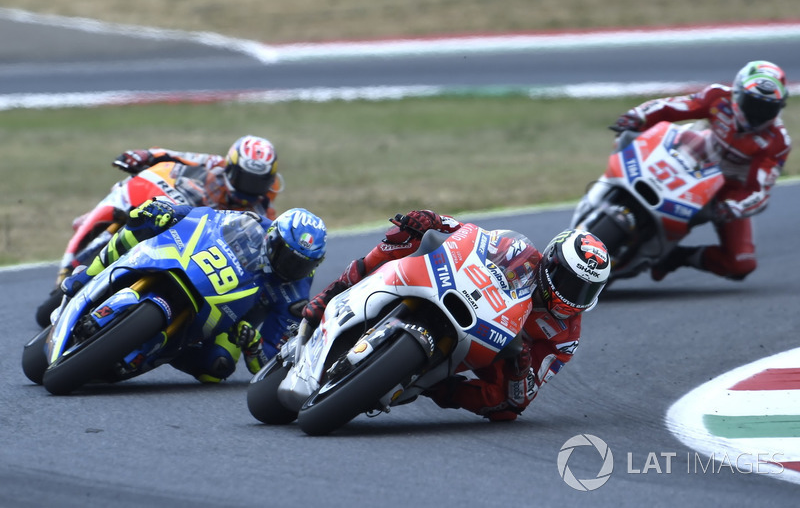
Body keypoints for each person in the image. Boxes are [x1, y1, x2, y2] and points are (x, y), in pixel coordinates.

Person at [301, 210, 610, 422]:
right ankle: (332, 293)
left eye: (586, 290)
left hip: (493, 349)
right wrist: (432, 220)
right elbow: (472, 236)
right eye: (571, 283)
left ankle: (434, 385)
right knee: (406, 236)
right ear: (552, 263)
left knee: (507, 410)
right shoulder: (521, 253)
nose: (574, 297)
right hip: (465, 297)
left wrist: (521, 368)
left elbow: (526, 393)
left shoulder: (566, 336)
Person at [61, 199, 327, 383]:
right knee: (144, 218)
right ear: (273, 237)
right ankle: (90, 273)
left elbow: (271, 361)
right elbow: (207, 218)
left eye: (300, 264)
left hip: (232, 318)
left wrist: (253, 344)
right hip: (201, 272)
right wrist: (172, 212)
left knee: (216, 368)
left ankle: (164, 350)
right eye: (286, 256)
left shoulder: (295, 294)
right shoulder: (252, 224)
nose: (289, 268)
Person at [612, 60, 791, 281]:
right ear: (737, 93)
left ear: (779, 107)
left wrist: (733, 207)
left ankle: (676, 257)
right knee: (631, 145)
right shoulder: (719, 97)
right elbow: (672, 106)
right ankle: (610, 191)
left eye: (766, 107)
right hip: (688, 156)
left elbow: (759, 191)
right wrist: (638, 116)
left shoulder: (777, 141)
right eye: (752, 103)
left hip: (724, 192)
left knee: (741, 263)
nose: (757, 113)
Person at [112, 135, 284, 220]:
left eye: (257, 183)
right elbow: (177, 156)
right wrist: (146, 155)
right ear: (230, 168)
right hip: (185, 209)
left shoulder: (264, 208)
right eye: (245, 179)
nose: (249, 188)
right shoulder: (216, 164)